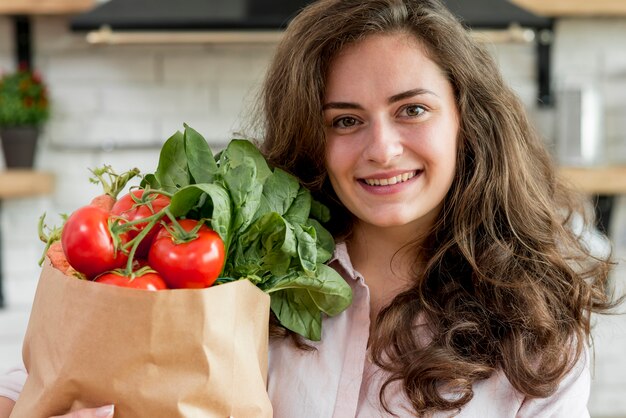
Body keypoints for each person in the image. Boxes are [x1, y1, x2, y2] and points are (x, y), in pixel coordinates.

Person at [0, 0, 619, 416]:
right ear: (312, 138)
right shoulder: (232, 270)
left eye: (412, 109)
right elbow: (51, 382)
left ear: (467, 120)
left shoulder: (538, 320)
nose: (382, 148)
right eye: (346, 120)